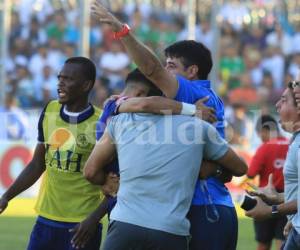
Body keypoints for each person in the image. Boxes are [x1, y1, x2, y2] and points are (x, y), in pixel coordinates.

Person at [91, 2, 237, 249]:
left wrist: (121, 31)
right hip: (203, 204)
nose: (164, 72)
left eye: (171, 66)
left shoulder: (192, 94)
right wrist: (122, 104)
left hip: (204, 206)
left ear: (192, 71)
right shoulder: (203, 99)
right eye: (166, 64)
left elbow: (150, 69)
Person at [84, 88, 247, 250]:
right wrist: (213, 170)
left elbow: (90, 172)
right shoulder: (198, 128)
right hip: (170, 230)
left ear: (142, 96)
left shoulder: (120, 121)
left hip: (125, 225)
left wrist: (107, 180)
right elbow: (240, 168)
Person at [0, 57, 105, 250]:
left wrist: (94, 219)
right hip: (45, 221)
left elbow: (113, 182)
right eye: (60, 77)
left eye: (68, 79)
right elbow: (37, 164)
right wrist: (6, 196)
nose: (60, 83)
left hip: (82, 225)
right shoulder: (50, 110)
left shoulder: (101, 123)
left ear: (86, 85)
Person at [94, 68, 217, 219]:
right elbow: (146, 105)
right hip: (132, 198)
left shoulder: (114, 108)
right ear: (140, 95)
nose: (160, 106)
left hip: (127, 194)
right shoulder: (120, 105)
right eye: (161, 99)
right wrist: (193, 110)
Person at [246, 81, 300, 250]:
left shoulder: (268, 147)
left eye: (283, 100)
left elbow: (250, 172)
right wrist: (278, 197)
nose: (277, 105)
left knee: (263, 243)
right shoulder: (293, 141)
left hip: (284, 215)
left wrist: (272, 210)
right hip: (292, 219)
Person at [247, 115, 288, 250]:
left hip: (266, 198)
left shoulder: (265, 148)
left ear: (265, 130)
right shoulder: (292, 145)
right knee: (283, 241)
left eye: (259, 133)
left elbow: (251, 173)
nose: (260, 137)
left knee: (263, 243)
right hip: (288, 199)